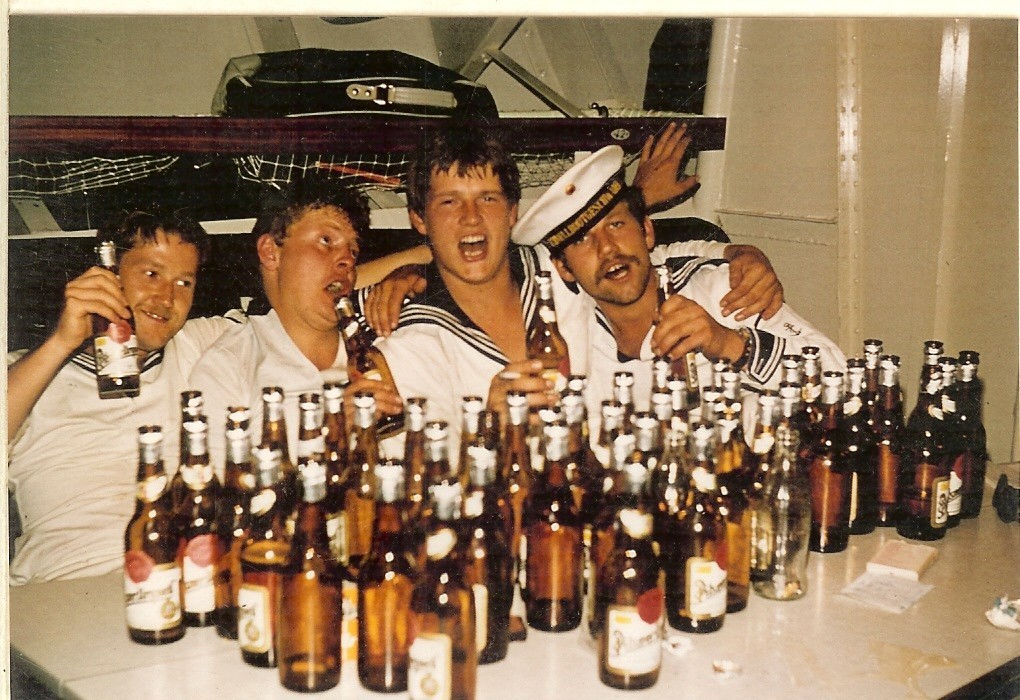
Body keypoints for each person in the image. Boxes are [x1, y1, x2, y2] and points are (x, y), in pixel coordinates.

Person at [365, 124, 783, 448]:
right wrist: (489, 433)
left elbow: (643, 257)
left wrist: (737, 251)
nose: (471, 217)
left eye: (488, 198)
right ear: (419, 220)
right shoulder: (407, 340)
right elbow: (418, 491)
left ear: (512, 213)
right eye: (449, 202)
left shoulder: (559, 268)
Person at [511, 144, 847, 412]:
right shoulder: (566, 329)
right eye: (582, 240)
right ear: (564, 268)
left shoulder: (722, 290)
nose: (608, 248)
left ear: (646, 232)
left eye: (616, 225)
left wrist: (730, 344)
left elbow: (841, 380)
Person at [7, 210, 237, 584]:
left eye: (184, 282)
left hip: (187, 579)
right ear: (108, 273)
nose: (167, 298)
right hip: (70, 584)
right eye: (152, 274)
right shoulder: (28, 371)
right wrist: (62, 341)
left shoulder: (198, 345)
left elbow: (301, 319)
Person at [188, 179, 403, 470]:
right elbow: (215, 485)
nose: (347, 261)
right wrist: (329, 432)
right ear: (270, 252)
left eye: (353, 251)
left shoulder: (385, 340)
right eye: (326, 241)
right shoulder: (230, 365)